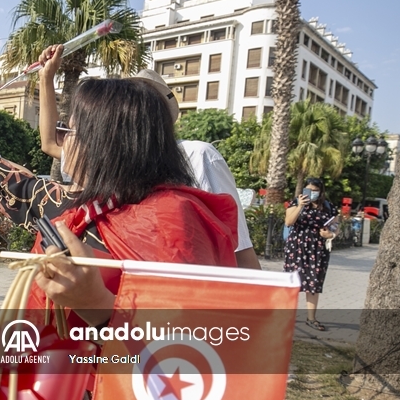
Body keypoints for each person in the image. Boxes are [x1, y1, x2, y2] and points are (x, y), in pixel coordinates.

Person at [0, 64, 239, 326]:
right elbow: (21, 189)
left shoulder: (173, 221)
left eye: (68, 130)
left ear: (105, 140)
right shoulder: (82, 206)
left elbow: (191, 346)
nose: (61, 141)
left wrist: (98, 306)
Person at [38, 47, 260, 270]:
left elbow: (238, 248)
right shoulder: (108, 158)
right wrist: (46, 77)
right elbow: (50, 143)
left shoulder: (197, 156)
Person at [283, 177, 338, 331]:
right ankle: (286, 316)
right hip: (297, 247)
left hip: (318, 248)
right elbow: (289, 221)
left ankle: (311, 318)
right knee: (292, 281)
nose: (311, 193)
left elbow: (336, 225)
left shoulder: (328, 207)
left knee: (314, 282)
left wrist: (331, 235)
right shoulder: (296, 203)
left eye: (315, 190)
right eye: (308, 190)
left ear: (321, 191)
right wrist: (300, 205)